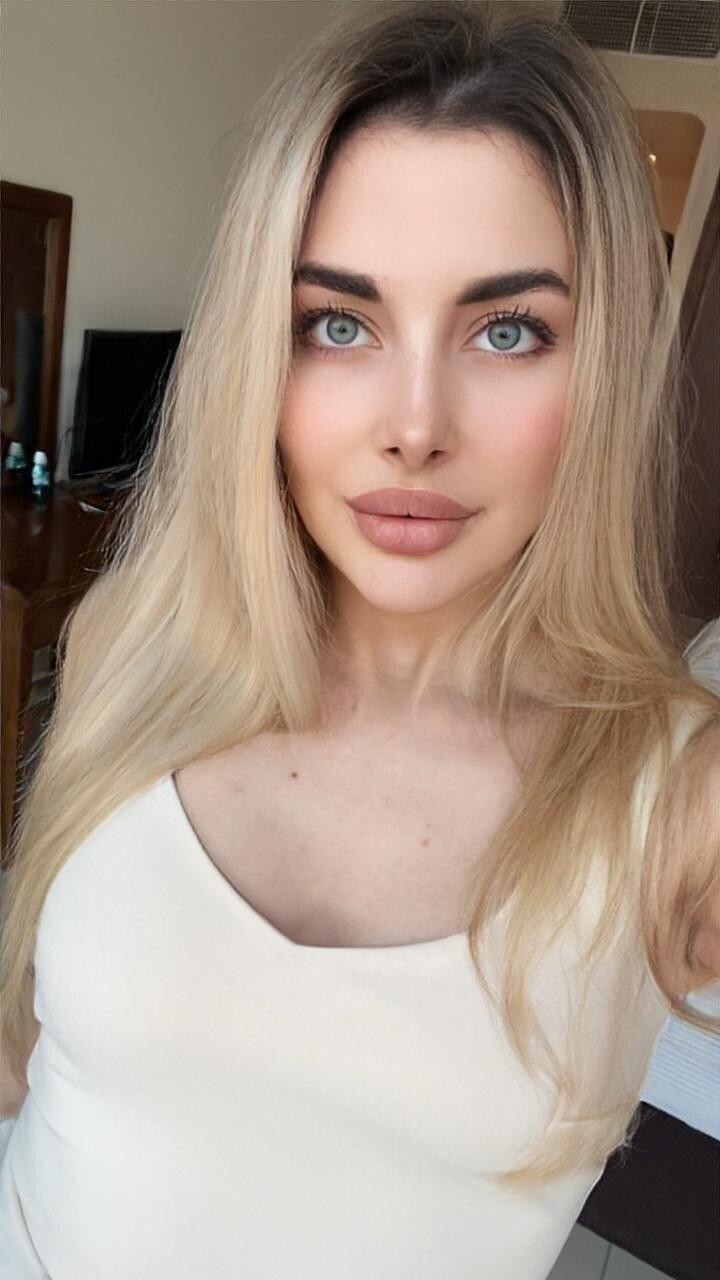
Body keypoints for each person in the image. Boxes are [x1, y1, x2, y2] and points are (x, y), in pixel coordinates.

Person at [1, 2, 718, 1276]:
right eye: (339, 322)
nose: (414, 425)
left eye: (508, 329)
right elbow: (35, 1055)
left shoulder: (678, 793)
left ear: (602, 368)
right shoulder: (134, 639)